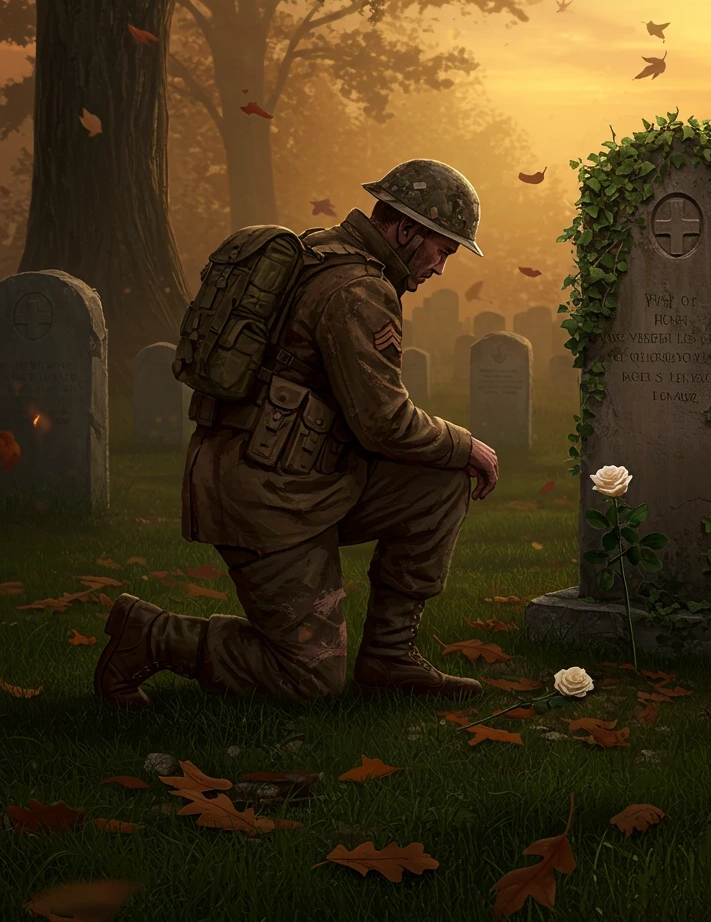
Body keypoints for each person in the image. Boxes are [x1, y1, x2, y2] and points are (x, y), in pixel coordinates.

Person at [95, 159, 499, 710]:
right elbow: (384, 422)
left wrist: (452, 455)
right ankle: (149, 636)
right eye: (443, 249)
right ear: (406, 229)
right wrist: (466, 443)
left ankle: (389, 656)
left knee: (440, 481)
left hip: (304, 477)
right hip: (266, 497)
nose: (441, 266)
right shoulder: (358, 289)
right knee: (309, 680)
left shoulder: (325, 250)